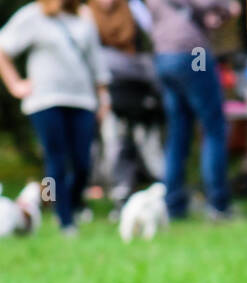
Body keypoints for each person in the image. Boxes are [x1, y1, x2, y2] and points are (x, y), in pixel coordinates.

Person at [0, 0, 109, 234]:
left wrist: (103, 96)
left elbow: (96, 62)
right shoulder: (33, 16)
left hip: (82, 100)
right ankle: (65, 218)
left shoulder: (84, 17)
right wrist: (15, 85)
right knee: (56, 159)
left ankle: (62, 201)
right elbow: (2, 47)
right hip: (46, 100)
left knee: (83, 163)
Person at [147, 0, 238, 221]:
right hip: (193, 53)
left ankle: (174, 204)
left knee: (178, 133)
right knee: (214, 128)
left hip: (164, 54)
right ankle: (218, 204)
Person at [86, 0, 165, 218]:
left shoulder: (135, 11)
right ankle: (120, 199)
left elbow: (154, 42)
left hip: (139, 94)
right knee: (115, 147)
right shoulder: (86, 16)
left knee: (148, 146)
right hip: (109, 97)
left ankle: (163, 195)